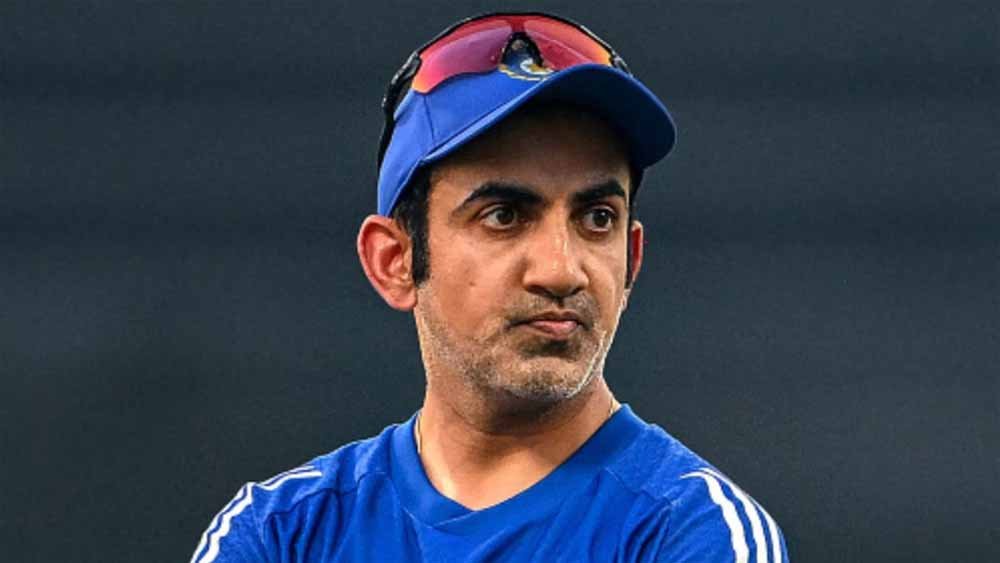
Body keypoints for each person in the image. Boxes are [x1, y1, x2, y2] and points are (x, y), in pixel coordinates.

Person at [190, 12, 789, 563]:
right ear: (395, 260)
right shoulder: (281, 532)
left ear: (631, 260)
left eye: (596, 218)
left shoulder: (695, 533)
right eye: (504, 215)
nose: (561, 270)